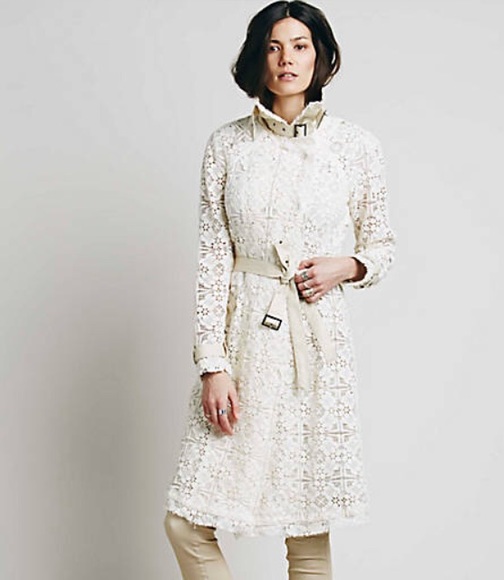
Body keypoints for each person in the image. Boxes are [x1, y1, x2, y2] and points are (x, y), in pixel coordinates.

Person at [163, 1, 396, 578]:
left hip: (316, 346)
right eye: (273, 46)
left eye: (300, 46)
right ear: (257, 57)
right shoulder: (227, 145)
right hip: (243, 342)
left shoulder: (356, 146)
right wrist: (213, 364)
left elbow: (382, 246)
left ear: (321, 57)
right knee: (186, 522)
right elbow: (213, 258)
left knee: (307, 529)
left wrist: (348, 266)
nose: (286, 59)